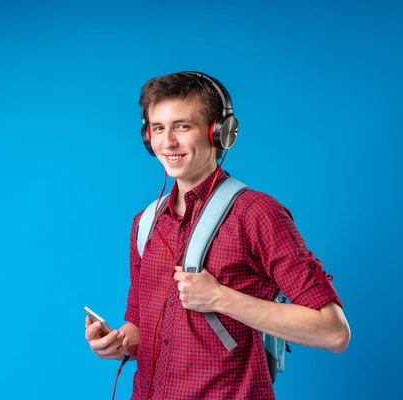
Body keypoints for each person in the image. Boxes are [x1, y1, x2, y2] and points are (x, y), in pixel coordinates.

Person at [85, 71, 351, 399]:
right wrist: (121, 342)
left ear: (218, 133)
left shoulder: (256, 213)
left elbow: (334, 331)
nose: (168, 142)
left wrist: (221, 298)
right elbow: (142, 326)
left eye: (183, 126)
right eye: (158, 128)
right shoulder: (145, 224)